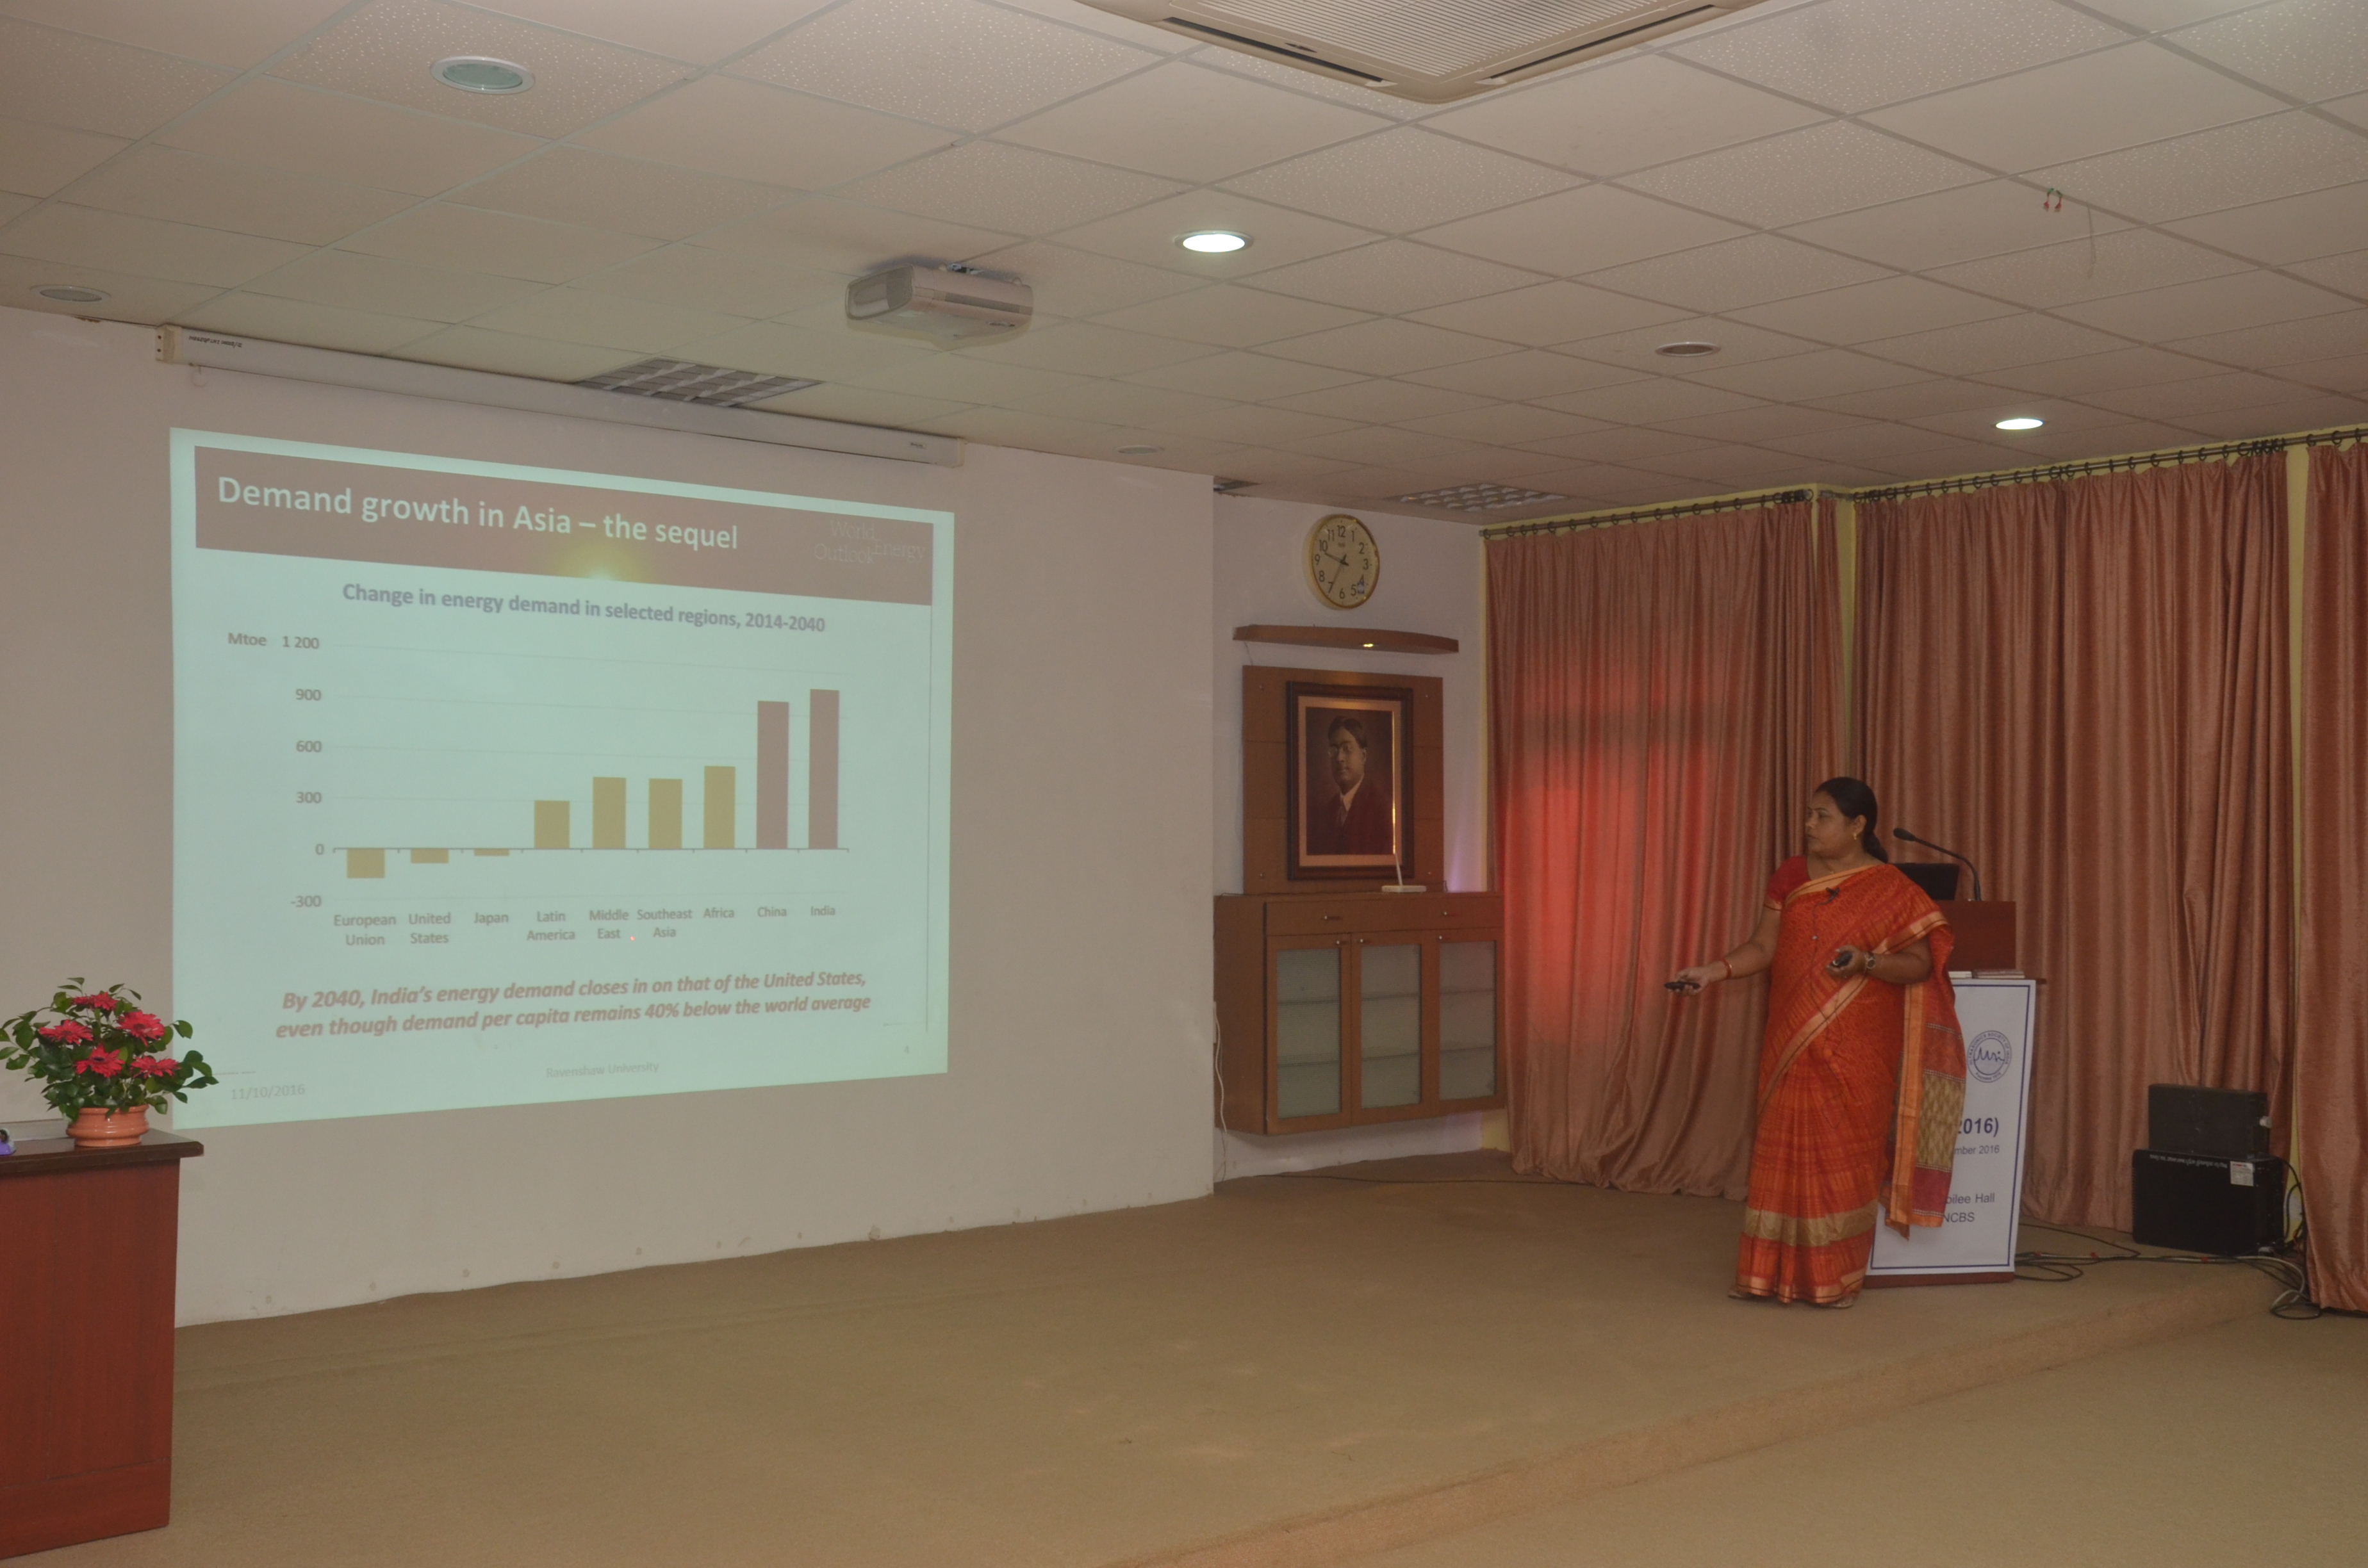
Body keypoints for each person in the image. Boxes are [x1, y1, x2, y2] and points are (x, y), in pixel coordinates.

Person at [1672, 777, 1966, 1307]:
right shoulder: (1791, 874)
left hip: (1857, 1049)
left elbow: (1920, 965)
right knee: (1782, 1155)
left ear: (1858, 826)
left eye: (1822, 816)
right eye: (1809, 813)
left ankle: (1833, 1279)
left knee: (1840, 1159)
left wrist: (1868, 962)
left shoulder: (1892, 887)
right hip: (1791, 1038)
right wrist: (1713, 972)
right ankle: (1766, 1275)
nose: (1809, 825)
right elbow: (1764, 947)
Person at [1306, 714, 1394, 856]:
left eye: (1347, 748)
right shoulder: (1327, 812)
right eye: (1334, 750)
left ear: (1363, 756)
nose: (1339, 758)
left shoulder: (1382, 807)